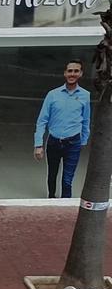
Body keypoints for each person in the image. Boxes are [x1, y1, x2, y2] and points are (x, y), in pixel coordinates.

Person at [34, 59, 91, 199]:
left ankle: (65, 206)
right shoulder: (52, 94)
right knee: (52, 175)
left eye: (76, 71)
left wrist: (83, 142)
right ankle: (51, 199)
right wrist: (38, 144)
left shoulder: (85, 95)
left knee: (67, 179)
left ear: (81, 73)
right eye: (70, 71)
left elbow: (86, 120)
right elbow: (42, 121)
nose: (73, 73)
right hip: (54, 141)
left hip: (73, 143)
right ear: (65, 73)